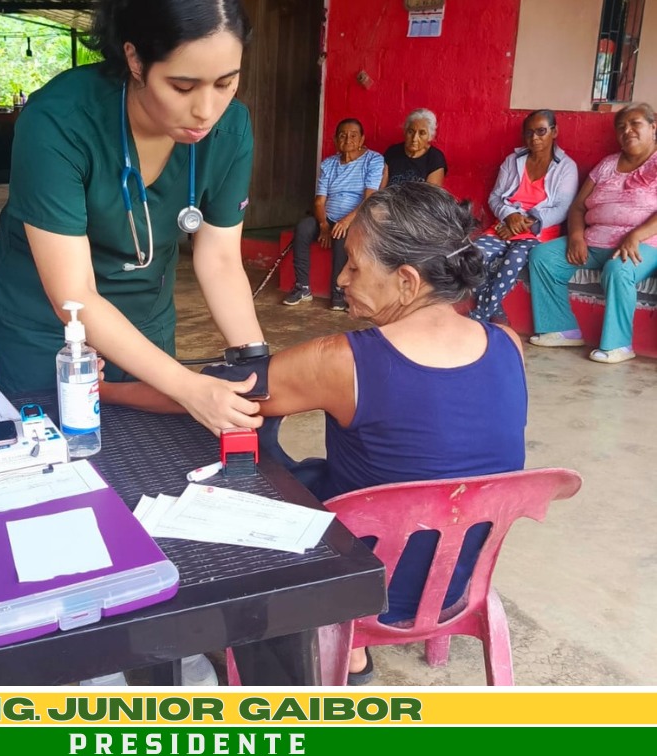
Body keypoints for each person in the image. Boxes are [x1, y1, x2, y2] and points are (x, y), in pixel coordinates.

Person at [104, 182, 528, 684]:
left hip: (356, 581)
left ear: (407, 281)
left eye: (355, 267)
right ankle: (353, 653)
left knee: (219, 470)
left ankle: (334, 645)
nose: (342, 278)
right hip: (455, 580)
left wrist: (103, 389)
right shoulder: (508, 343)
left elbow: (214, 394)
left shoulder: (347, 362)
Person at [0, 0, 265, 435]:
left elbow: (221, 259)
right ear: (135, 59)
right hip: (50, 329)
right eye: (183, 86)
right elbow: (73, 294)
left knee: (145, 449)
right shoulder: (59, 121)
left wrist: (255, 364)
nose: (206, 110)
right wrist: (188, 387)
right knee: (58, 450)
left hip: (145, 317)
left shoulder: (230, 130)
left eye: (226, 83)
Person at [529, 102, 657, 363]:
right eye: (621, 127)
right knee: (543, 257)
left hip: (643, 244)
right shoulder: (608, 164)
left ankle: (618, 345)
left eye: (635, 124)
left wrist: (635, 235)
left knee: (619, 269)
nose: (627, 131)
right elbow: (578, 206)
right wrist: (576, 236)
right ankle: (561, 329)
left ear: (653, 127)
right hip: (595, 240)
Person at [470, 110, 578, 323]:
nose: (534, 138)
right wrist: (509, 216)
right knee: (472, 256)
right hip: (504, 226)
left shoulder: (566, 167)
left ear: (554, 132)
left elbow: (562, 209)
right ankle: (495, 312)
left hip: (539, 232)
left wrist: (521, 225)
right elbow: (495, 197)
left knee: (514, 260)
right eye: (529, 133)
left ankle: (479, 315)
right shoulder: (513, 161)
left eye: (541, 131)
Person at [282, 118, 385, 310]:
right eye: (343, 135)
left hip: (356, 218)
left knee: (340, 235)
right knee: (304, 227)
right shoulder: (329, 164)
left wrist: (345, 222)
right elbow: (319, 201)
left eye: (353, 135)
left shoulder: (373, 160)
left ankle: (338, 293)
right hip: (329, 217)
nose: (348, 139)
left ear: (362, 139)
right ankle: (302, 287)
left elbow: (370, 198)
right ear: (336, 140)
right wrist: (323, 225)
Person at [382, 108, 447, 186]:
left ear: (430, 136)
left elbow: (430, 192)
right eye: (410, 132)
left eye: (422, 133)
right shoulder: (392, 152)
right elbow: (381, 188)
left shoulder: (435, 158)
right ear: (405, 131)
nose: (414, 139)